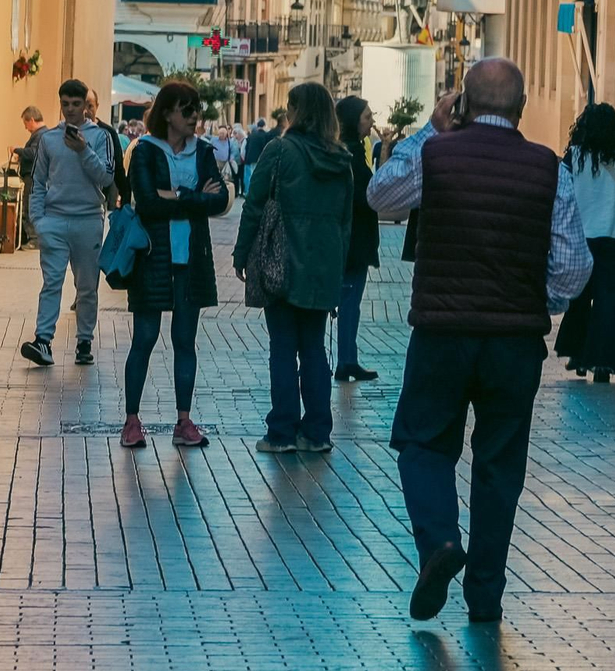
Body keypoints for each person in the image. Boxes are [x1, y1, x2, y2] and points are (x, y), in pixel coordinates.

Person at [365, 58, 592, 624]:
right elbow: (571, 267)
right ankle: (485, 595)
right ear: (522, 109)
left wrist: (428, 131)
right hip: (514, 343)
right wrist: (534, 301)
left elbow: (379, 197)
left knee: (423, 444)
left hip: (441, 335)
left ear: (462, 104)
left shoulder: (435, 154)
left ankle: (440, 542)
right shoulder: (549, 168)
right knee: (498, 465)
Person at [234, 83, 354, 454]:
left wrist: (241, 254)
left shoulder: (280, 151)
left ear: (296, 112)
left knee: (283, 348)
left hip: (280, 262)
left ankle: (281, 431)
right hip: (323, 264)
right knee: (314, 348)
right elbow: (346, 220)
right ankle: (317, 431)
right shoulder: (341, 160)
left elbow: (254, 205)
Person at [121, 81, 229, 449]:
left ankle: (184, 422)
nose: (195, 116)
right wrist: (196, 198)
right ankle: (132, 420)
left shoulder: (203, 152)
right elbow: (148, 203)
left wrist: (179, 196)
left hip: (191, 259)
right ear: (168, 113)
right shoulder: (146, 151)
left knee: (185, 340)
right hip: (153, 256)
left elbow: (220, 200)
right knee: (145, 339)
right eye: (187, 110)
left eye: (196, 109)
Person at [21, 79, 115, 368]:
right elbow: (37, 182)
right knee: (52, 282)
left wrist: (83, 150)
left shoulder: (100, 137)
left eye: (77, 104)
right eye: (66, 104)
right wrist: (39, 220)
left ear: (86, 106)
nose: (71, 110)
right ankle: (43, 340)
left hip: (88, 219)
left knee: (87, 285)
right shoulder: (49, 139)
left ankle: (84, 340)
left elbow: (106, 177)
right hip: (55, 220)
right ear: (60, 105)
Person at [554, 103, 615, 383]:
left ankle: (578, 355)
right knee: (612, 303)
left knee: (580, 297)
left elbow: (561, 193)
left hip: (582, 236)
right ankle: (604, 364)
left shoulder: (575, 157)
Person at [334, 96, 381, 383]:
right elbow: (366, 195)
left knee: (351, 301)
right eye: (367, 116)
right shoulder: (349, 155)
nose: (372, 121)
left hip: (354, 241)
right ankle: (345, 360)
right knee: (349, 302)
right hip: (353, 242)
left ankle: (348, 357)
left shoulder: (349, 152)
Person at [86, 87, 130, 208]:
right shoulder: (72, 130)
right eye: (83, 106)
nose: (86, 111)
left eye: (90, 106)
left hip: (99, 198)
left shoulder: (108, 132)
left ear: (97, 106)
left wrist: (125, 196)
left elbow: (118, 165)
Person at [16, 106, 47, 249]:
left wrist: (18, 151)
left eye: (25, 124)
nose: (25, 128)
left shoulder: (40, 135)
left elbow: (34, 153)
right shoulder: (43, 134)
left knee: (30, 207)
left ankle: (34, 240)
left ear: (32, 120)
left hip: (33, 177)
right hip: (35, 176)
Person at [243, 118, 270, 196]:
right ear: (264, 126)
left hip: (249, 158)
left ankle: (247, 191)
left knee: (249, 176)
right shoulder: (265, 135)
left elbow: (245, 147)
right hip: (259, 158)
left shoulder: (251, 135)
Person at [230, 122, 248, 198]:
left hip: (242, 162)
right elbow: (230, 150)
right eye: (234, 133)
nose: (235, 135)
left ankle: (243, 192)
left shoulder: (245, 140)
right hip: (234, 162)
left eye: (236, 133)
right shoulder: (232, 141)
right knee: (235, 178)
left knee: (242, 177)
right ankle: (236, 192)